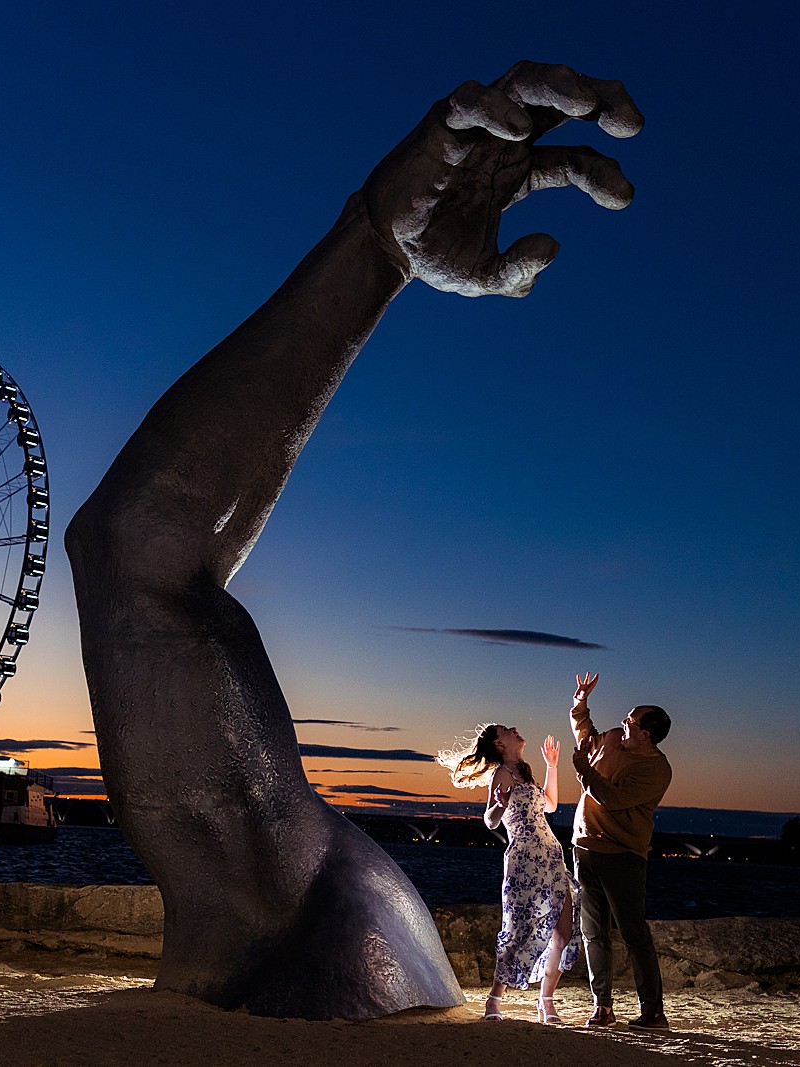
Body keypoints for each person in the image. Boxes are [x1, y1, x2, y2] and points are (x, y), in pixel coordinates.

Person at [65, 62, 643, 1018]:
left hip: (330, 940)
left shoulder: (308, 905)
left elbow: (129, 544)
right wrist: (374, 251)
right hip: (339, 927)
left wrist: (375, 247)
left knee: (130, 560)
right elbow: (130, 546)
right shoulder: (316, 886)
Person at [439, 724, 580, 1022]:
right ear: (499, 744)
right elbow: (490, 820)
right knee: (518, 931)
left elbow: (550, 805)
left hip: (552, 859)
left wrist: (552, 766)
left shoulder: (526, 773)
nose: (515, 729)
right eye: (506, 730)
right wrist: (499, 807)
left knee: (563, 932)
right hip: (524, 861)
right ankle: (494, 1000)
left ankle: (546, 1000)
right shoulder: (501, 774)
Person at [567, 671, 673, 1030]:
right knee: (593, 932)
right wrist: (580, 702)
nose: (623, 723)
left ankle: (653, 1013)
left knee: (633, 933)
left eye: (631, 721)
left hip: (623, 856)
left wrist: (582, 769)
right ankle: (603, 1008)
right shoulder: (613, 739)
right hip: (583, 848)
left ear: (646, 734)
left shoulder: (656, 770)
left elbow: (612, 799)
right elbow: (585, 736)